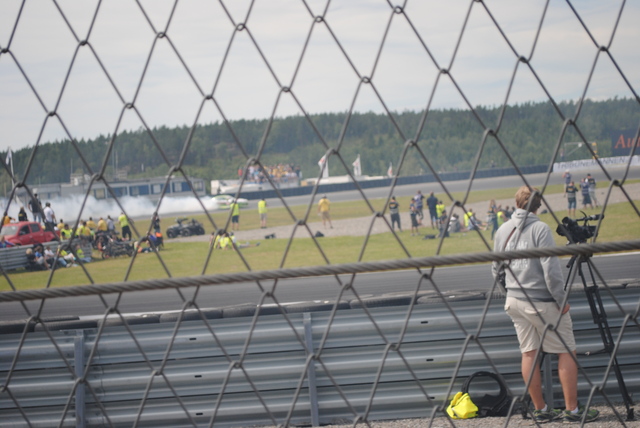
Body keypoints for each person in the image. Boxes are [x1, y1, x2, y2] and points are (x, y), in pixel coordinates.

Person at [492, 186, 599, 423]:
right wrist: (561, 302)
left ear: (516, 203)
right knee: (566, 350)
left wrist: (509, 291)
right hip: (541, 301)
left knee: (528, 352)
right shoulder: (540, 229)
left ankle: (541, 409)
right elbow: (551, 272)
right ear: (538, 206)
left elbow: (495, 269)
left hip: (514, 302)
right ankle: (572, 410)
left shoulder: (502, 230)